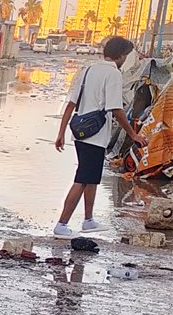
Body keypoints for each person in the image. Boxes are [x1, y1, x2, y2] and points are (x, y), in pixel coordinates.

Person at [53, 35, 146, 236]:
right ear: (121, 55)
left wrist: (61, 133)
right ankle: (61, 224)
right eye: (127, 56)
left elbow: (71, 104)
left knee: (91, 177)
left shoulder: (88, 70)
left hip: (80, 133)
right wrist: (133, 135)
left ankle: (88, 220)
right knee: (82, 178)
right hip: (95, 136)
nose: (126, 59)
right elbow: (116, 109)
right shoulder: (113, 74)